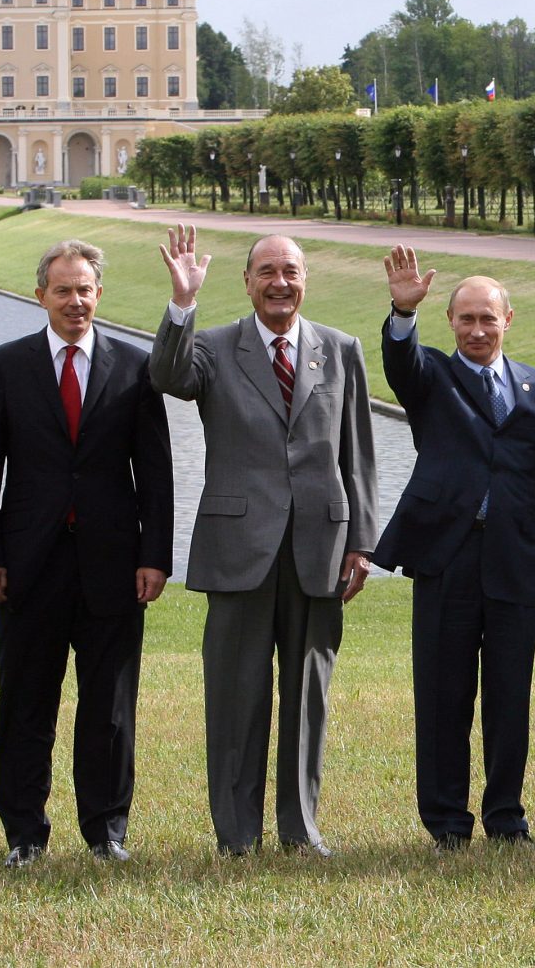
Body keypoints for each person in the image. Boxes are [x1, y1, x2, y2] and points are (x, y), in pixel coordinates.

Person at [151, 226, 378, 857]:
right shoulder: (216, 348)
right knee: (234, 696)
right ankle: (236, 836)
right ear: (247, 281)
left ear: (305, 280)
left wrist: (361, 540)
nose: (281, 283)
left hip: (320, 548)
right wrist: (181, 304)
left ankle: (300, 830)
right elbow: (166, 375)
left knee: (308, 695)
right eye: (268, 272)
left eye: (292, 272)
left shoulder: (339, 349)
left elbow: (357, 451)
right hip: (238, 546)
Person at [0, 240, 173, 867]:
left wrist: (155, 556)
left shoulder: (136, 368)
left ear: (99, 294)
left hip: (114, 563)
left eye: (85, 289)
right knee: (27, 700)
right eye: (63, 290)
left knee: (109, 704)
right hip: (30, 562)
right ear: (41, 296)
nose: (75, 301)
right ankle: (24, 833)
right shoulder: (7, 365)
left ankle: (107, 829)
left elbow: (156, 473)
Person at [372, 246, 535, 850]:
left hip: (515, 561)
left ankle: (506, 817)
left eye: (488, 318)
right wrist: (401, 313)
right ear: (450, 323)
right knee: (443, 696)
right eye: (465, 318)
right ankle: (446, 821)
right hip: (445, 559)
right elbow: (401, 362)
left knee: (510, 696)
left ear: (507, 321)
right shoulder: (433, 376)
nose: (477, 329)